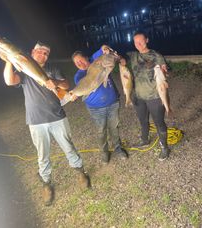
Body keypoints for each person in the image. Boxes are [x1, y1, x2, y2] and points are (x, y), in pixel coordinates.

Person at [0, 41, 90, 206]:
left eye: (46, 53)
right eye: (40, 51)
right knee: (43, 155)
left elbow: (66, 84)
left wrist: (54, 82)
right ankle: (46, 184)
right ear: (32, 52)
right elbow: (9, 81)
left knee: (69, 147)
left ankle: (80, 172)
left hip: (57, 117)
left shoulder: (52, 69)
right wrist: (8, 62)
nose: (43, 55)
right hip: (36, 120)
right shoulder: (24, 70)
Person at [71, 45, 128, 164]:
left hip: (113, 103)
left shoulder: (95, 60)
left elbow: (103, 49)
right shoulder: (79, 76)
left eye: (81, 60)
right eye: (77, 63)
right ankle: (104, 152)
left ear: (87, 58)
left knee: (114, 127)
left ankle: (118, 149)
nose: (80, 63)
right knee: (101, 131)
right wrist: (73, 94)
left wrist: (107, 50)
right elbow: (85, 87)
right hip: (95, 109)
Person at [129, 31, 170, 161]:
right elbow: (118, 59)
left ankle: (164, 147)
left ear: (147, 40)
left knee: (159, 123)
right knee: (143, 121)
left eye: (141, 41)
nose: (138, 44)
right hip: (138, 96)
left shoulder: (156, 55)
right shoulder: (133, 56)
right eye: (135, 42)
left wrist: (164, 71)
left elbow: (164, 71)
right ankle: (144, 140)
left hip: (155, 96)